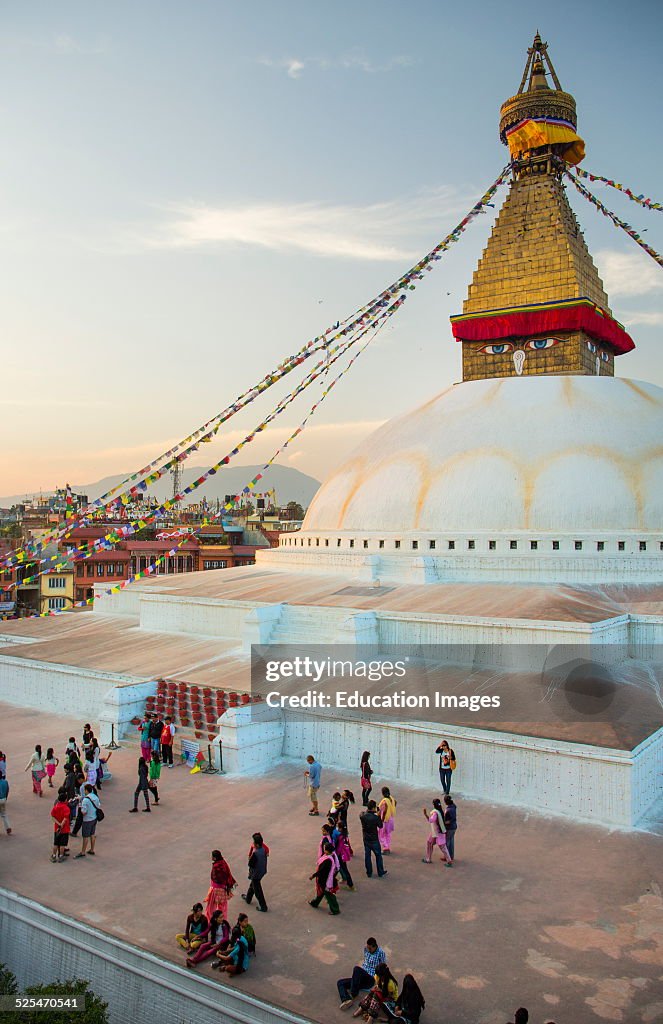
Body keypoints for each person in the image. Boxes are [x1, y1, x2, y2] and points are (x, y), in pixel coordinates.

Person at [337, 938, 387, 1010]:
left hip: (370, 979)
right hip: (361, 977)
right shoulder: (366, 949)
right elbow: (365, 961)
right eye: (367, 947)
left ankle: (353, 994)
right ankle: (346, 1000)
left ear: (375, 946)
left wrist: (381, 984)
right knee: (340, 982)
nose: (368, 950)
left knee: (356, 969)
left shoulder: (381, 953)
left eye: (370, 948)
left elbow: (383, 968)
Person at [309, 841, 340, 915]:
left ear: (327, 851)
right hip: (327, 878)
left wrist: (313, 876)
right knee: (322, 892)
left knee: (329, 895)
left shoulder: (327, 860)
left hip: (325, 880)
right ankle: (315, 903)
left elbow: (322, 871)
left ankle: (335, 909)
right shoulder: (331, 856)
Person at [204, 849, 236, 921]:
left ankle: (209, 920)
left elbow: (214, 877)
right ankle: (223, 920)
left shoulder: (216, 866)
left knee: (211, 906)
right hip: (223, 889)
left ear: (214, 858)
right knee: (222, 906)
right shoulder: (223, 863)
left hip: (215, 889)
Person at [360, 800, 387, 878]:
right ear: (373, 808)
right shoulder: (375, 818)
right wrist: (378, 815)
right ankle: (380, 871)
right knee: (378, 856)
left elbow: (363, 813)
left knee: (367, 855)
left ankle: (369, 872)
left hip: (366, 838)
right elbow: (380, 826)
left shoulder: (362, 815)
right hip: (374, 839)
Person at [242, 832, 268, 912]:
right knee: (253, 885)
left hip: (256, 874)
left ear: (256, 844)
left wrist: (250, 858)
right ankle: (248, 899)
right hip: (262, 871)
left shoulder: (255, 853)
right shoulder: (264, 850)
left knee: (257, 891)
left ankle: (263, 906)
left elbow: (251, 864)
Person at [422, 798, 452, 866]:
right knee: (430, 843)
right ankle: (428, 859)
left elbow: (431, 820)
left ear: (433, 805)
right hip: (437, 832)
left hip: (437, 832)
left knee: (442, 847)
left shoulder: (435, 813)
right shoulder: (440, 811)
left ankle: (449, 861)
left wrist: (425, 814)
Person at [75, 783, 100, 858]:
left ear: (86, 790)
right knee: (92, 834)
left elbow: (84, 812)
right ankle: (92, 849)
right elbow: (98, 805)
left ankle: (83, 852)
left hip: (87, 820)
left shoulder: (85, 800)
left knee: (85, 836)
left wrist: (80, 806)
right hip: (94, 818)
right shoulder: (95, 797)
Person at [50, 787, 71, 863]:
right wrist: (61, 825)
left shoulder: (56, 807)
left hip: (56, 828)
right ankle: (61, 856)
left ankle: (53, 855)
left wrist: (58, 824)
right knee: (62, 844)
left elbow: (52, 816)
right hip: (64, 829)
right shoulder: (66, 808)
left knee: (56, 843)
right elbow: (65, 818)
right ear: (65, 800)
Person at [336, 823, 355, 891]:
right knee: (343, 868)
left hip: (340, 855)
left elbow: (339, 848)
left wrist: (336, 855)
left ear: (340, 828)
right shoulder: (344, 835)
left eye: (338, 827)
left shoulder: (340, 837)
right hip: (343, 855)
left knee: (342, 869)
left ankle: (350, 884)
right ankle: (346, 880)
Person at [378, 787, 397, 854]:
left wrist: (381, 820)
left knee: (381, 834)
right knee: (387, 834)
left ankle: (386, 848)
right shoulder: (391, 798)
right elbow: (395, 802)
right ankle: (387, 847)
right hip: (391, 818)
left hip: (385, 820)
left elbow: (384, 810)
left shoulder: (384, 801)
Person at [443, 794, 457, 861]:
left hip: (449, 828)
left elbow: (447, 822)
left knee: (446, 842)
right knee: (451, 842)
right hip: (454, 827)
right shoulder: (453, 806)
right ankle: (451, 856)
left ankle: (447, 857)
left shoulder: (448, 810)